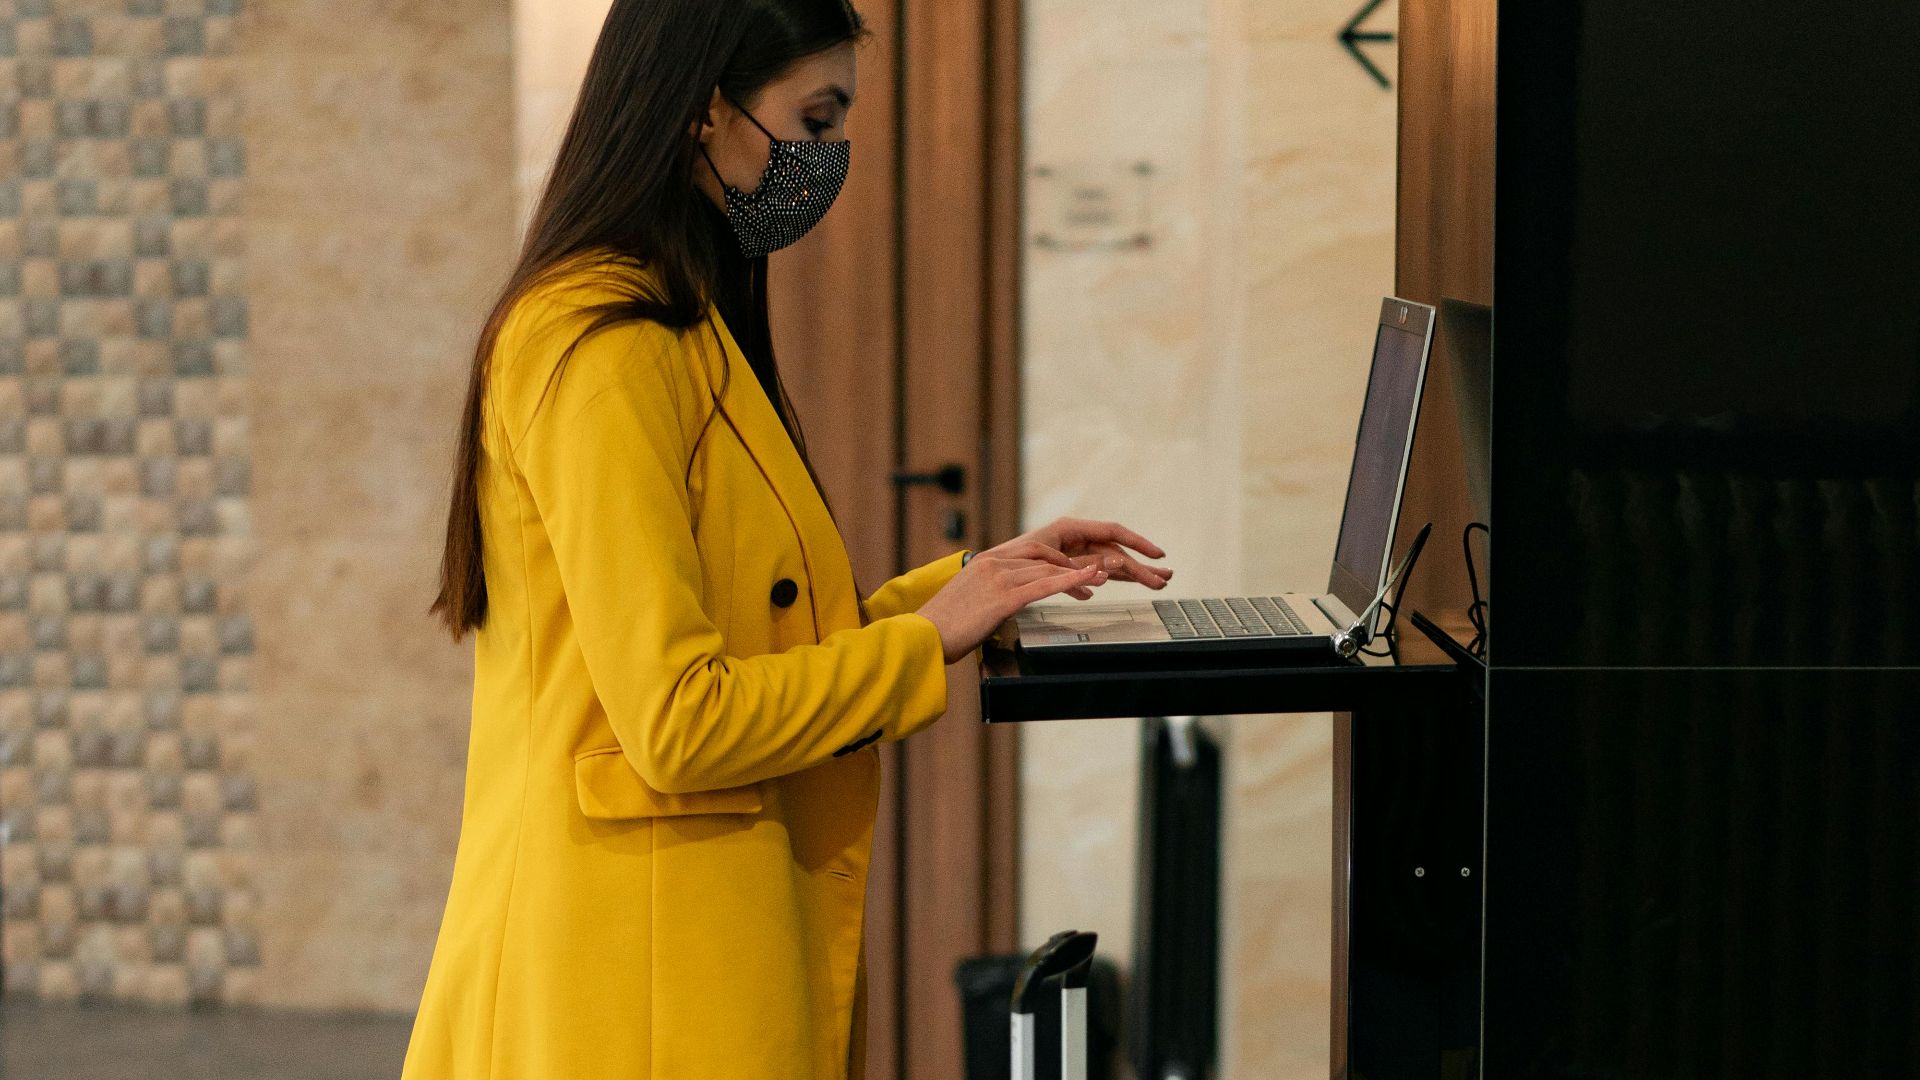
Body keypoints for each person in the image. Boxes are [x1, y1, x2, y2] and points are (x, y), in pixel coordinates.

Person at [405, 2, 1173, 1077]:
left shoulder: (679, 320)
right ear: (706, 109)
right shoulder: (603, 344)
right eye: (814, 120)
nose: (829, 157)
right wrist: (924, 641)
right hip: (627, 983)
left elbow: (757, 636)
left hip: (686, 949)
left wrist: (973, 587)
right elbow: (678, 721)